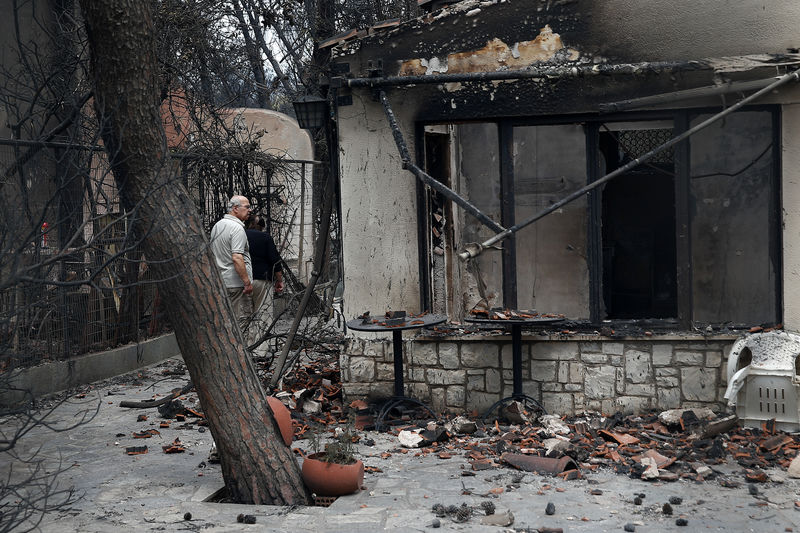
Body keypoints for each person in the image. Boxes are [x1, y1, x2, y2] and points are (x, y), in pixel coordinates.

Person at [209, 195, 253, 328]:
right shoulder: (237, 228)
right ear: (235, 208)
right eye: (247, 207)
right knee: (239, 323)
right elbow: (237, 257)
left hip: (221, 280)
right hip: (236, 284)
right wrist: (247, 282)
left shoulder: (218, 225)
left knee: (225, 321)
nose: (250, 210)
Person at [245, 214, 284, 350]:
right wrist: (279, 280)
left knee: (245, 315)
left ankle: (246, 347)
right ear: (262, 226)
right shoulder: (265, 237)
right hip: (262, 279)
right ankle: (260, 350)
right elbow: (275, 261)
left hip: (243, 280)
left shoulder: (240, 235)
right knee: (263, 314)